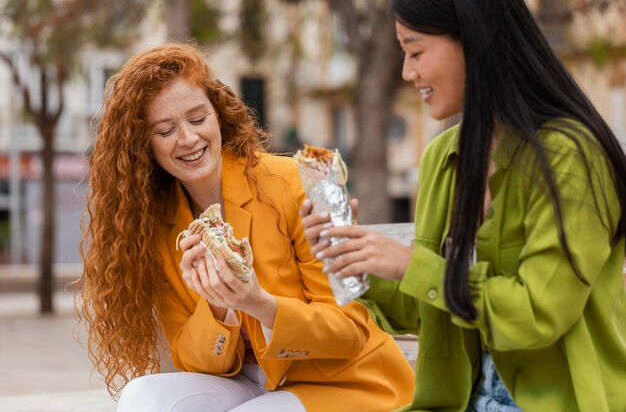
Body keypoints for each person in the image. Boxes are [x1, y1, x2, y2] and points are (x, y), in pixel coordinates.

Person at [301, 0, 626, 411]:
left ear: (475, 42)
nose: (407, 72)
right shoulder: (443, 158)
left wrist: (406, 263)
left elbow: (536, 315)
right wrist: (350, 256)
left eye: (416, 50)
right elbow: (424, 307)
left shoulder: (570, 157)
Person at [77, 43, 414, 412]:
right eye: (165, 129)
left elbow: (350, 331)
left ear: (217, 115)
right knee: (141, 398)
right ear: (145, 146)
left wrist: (257, 303)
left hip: (348, 382)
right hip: (252, 385)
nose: (188, 139)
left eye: (197, 118)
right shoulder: (156, 226)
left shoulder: (308, 180)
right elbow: (195, 363)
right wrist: (217, 306)